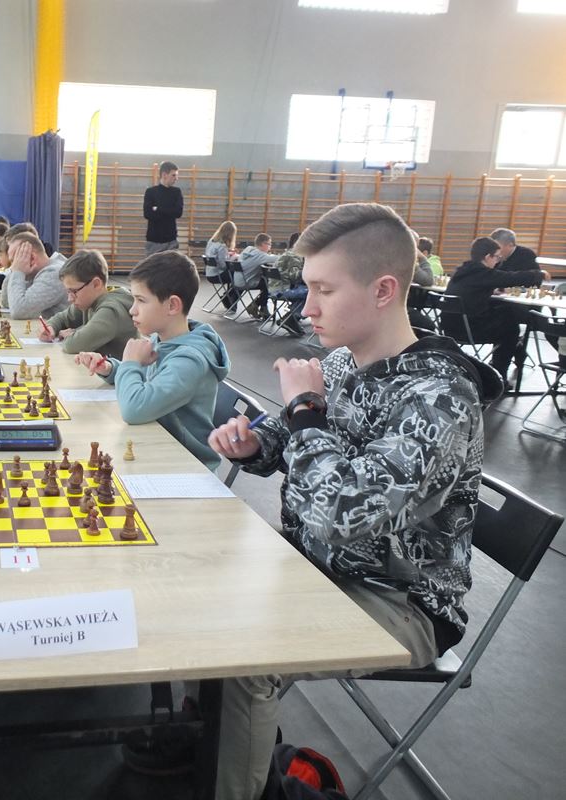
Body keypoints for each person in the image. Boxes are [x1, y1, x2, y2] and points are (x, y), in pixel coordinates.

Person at [207, 203, 502, 800]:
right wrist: (255, 444)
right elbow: (292, 438)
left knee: (243, 659)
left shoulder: (439, 397)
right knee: (193, 593)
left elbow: (342, 514)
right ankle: (214, 749)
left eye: (324, 290)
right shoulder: (343, 361)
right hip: (317, 567)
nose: (306, 307)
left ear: (384, 290)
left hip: (400, 601)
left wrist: (304, 411)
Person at [75, 251, 229, 471]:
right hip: (159, 447)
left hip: (186, 466)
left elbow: (134, 409)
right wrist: (111, 368)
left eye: (141, 300)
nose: (132, 310)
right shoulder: (163, 340)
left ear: (172, 305)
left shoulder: (190, 361)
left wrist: (131, 363)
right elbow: (149, 385)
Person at [444, 236, 548, 381]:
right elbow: (510, 278)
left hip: (450, 328)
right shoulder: (482, 272)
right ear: (488, 257)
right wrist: (538, 274)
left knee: (504, 315)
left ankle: (511, 359)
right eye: (497, 258)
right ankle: (498, 375)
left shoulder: (461, 271)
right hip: (470, 330)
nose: (497, 262)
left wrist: (489, 290)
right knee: (511, 328)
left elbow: (473, 289)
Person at [39, 249, 137, 359]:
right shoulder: (89, 301)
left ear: (96, 284)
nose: (70, 298)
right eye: (68, 291)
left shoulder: (111, 310)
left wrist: (74, 333)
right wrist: (51, 327)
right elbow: (63, 318)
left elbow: (73, 345)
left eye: (74, 291)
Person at [0, 230, 68, 319]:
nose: (13, 266)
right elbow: (7, 302)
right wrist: (15, 271)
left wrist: (18, 272)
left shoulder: (54, 273)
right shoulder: (36, 272)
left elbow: (19, 311)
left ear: (32, 258)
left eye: (15, 261)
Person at [266, 232, 306, 336]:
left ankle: (290, 317)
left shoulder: (287, 253)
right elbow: (294, 276)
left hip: (273, 289)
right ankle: (292, 318)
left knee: (304, 291)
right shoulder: (296, 255)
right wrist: (308, 271)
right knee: (312, 293)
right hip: (283, 290)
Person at [143, 161, 183, 256]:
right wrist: (169, 210)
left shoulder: (176, 192)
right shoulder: (151, 192)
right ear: (164, 175)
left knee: (172, 265)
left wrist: (158, 209)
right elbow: (148, 214)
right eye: (173, 175)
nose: (176, 178)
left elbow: (178, 213)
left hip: (171, 240)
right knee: (153, 265)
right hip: (154, 240)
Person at [233, 233, 276, 318]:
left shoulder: (248, 249)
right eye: (269, 244)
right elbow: (278, 259)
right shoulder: (261, 255)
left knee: (265, 281)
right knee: (269, 283)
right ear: (263, 244)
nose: (270, 246)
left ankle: (261, 307)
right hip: (246, 282)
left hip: (236, 281)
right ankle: (258, 305)